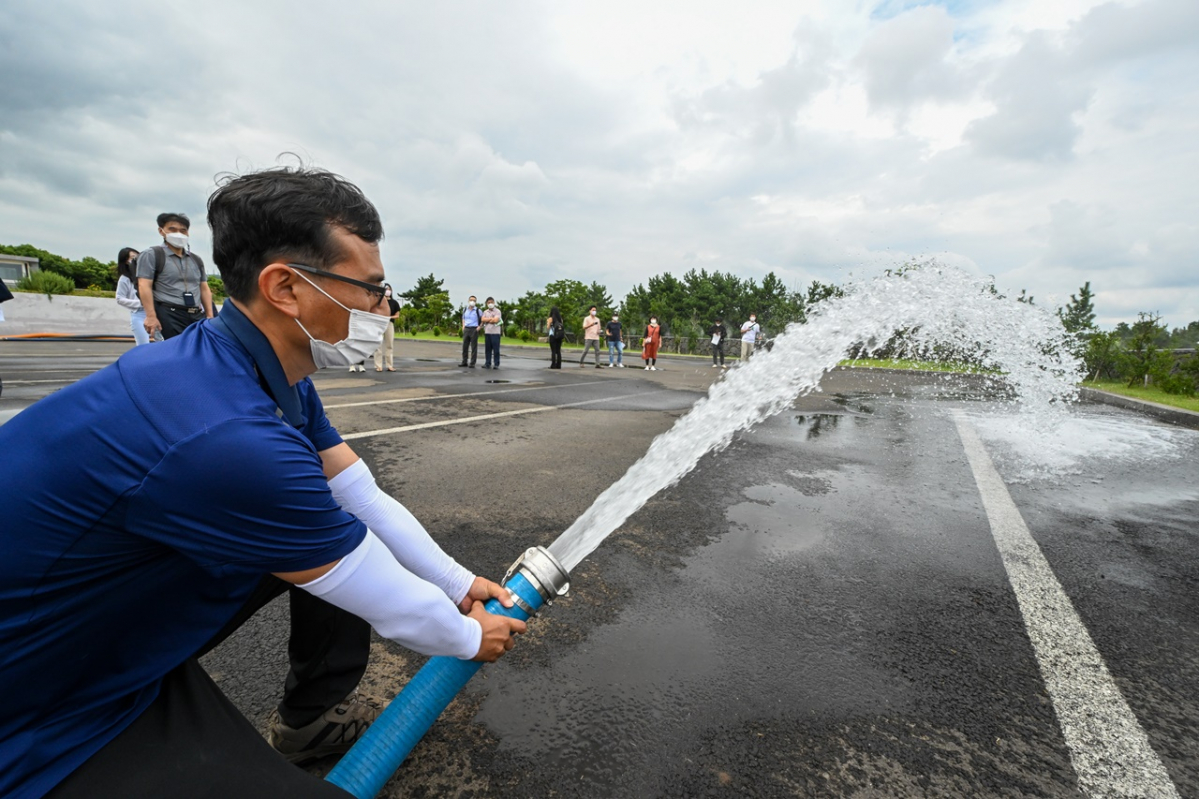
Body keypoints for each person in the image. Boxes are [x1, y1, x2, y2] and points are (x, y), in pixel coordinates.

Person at [0, 164, 526, 798]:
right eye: (371, 289)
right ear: (285, 287)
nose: (383, 310)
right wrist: (471, 637)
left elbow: (361, 499)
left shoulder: (251, 369)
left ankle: (309, 723)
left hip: (91, 627)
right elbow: (383, 597)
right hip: (41, 698)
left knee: (333, 528)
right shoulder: (228, 436)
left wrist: (459, 583)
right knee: (326, 547)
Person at [136, 212, 215, 340]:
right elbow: (144, 285)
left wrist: (210, 316)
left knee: (199, 350)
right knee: (175, 351)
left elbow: (204, 288)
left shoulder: (195, 259)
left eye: (183, 230)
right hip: (169, 313)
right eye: (172, 229)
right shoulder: (152, 255)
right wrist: (151, 316)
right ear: (161, 231)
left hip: (195, 314)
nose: (178, 233)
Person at [114, 248, 151, 346]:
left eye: (138, 256)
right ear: (126, 261)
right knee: (143, 346)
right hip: (139, 314)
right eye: (133, 257)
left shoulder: (148, 275)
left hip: (156, 312)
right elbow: (119, 298)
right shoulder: (125, 279)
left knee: (163, 343)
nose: (137, 259)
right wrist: (140, 303)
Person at [373, 283, 400, 372]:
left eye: (389, 289)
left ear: (391, 291)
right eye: (386, 289)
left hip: (389, 323)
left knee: (389, 345)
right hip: (379, 323)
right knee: (378, 345)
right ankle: (378, 365)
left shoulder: (394, 302)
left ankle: (389, 365)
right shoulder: (378, 301)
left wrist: (389, 317)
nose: (387, 291)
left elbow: (397, 315)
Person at [459, 295, 481, 368]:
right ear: (468, 301)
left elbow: (482, 319)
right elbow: (463, 318)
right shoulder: (465, 309)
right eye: (471, 300)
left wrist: (479, 327)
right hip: (466, 329)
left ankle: (472, 363)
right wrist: (463, 326)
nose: (472, 302)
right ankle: (464, 361)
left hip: (474, 329)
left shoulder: (478, 310)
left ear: (476, 302)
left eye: (474, 300)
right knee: (465, 346)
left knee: (473, 347)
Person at [481, 297, 502, 369]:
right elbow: (483, 319)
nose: (490, 304)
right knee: (488, 349)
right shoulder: (485, 312)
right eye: (488, 302)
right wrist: (490, 319)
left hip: (495, 333)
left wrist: (488, 320)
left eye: (491, 302)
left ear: (494, 303)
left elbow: (496, 320)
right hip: (487, 332)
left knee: (496, 349)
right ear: (486, 303)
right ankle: (487, 363)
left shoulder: (498, 311)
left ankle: (496, 364)